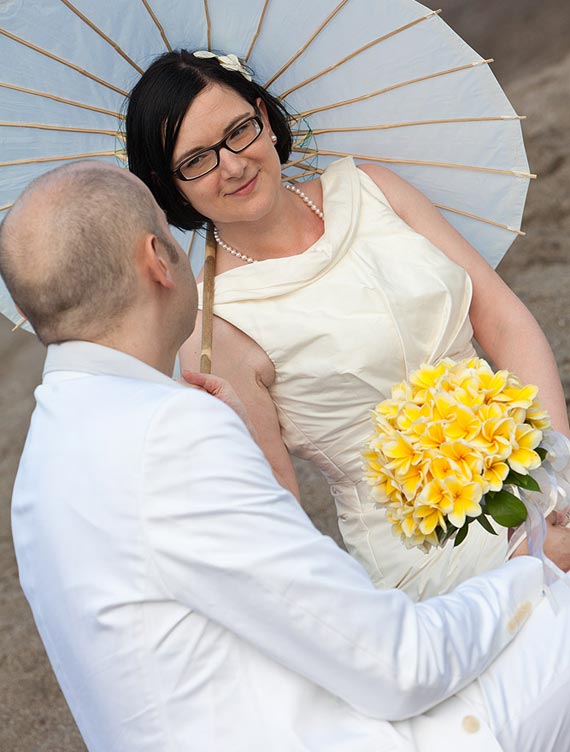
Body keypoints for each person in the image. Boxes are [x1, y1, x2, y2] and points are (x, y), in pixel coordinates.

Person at [2, 159, 570, 752]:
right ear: (156, 259)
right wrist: (534, 570)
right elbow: (402, 665)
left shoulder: (44, 464)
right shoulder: (169, 432)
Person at [125, 49, 570, 600]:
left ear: (264, 116)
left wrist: (557, 475)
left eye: (239, 130)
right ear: (169, 185)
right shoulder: (212, 327)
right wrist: (523, 558)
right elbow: (277, 508)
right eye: (197, 160)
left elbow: (502, 320)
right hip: (429, 551)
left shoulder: (371, 189)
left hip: (529, 460)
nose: (233, 165)